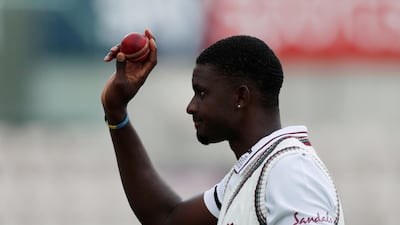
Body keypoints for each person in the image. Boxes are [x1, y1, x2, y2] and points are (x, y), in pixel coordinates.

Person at [101, 29, 345, 225]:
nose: (191, 106)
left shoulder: (290, 169)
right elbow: (167, 217)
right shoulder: (252, 174)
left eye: (201, 93)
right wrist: (115, 111)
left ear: (240, 97)